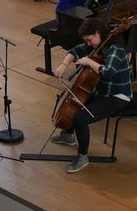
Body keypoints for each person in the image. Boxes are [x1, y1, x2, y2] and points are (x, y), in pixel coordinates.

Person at [52, 17, 131, 173]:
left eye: (89, 39)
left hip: (117, 96)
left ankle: (82, 157)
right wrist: (63, 65)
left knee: (81, 118)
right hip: (101, 91)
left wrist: (89, 62)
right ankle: (69, 135)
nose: (87, 44)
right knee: (72, 100)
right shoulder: (98, 45)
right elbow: (76, 50)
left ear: (98, 33)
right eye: (86, 41)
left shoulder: (116, 50)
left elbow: (108, 72)